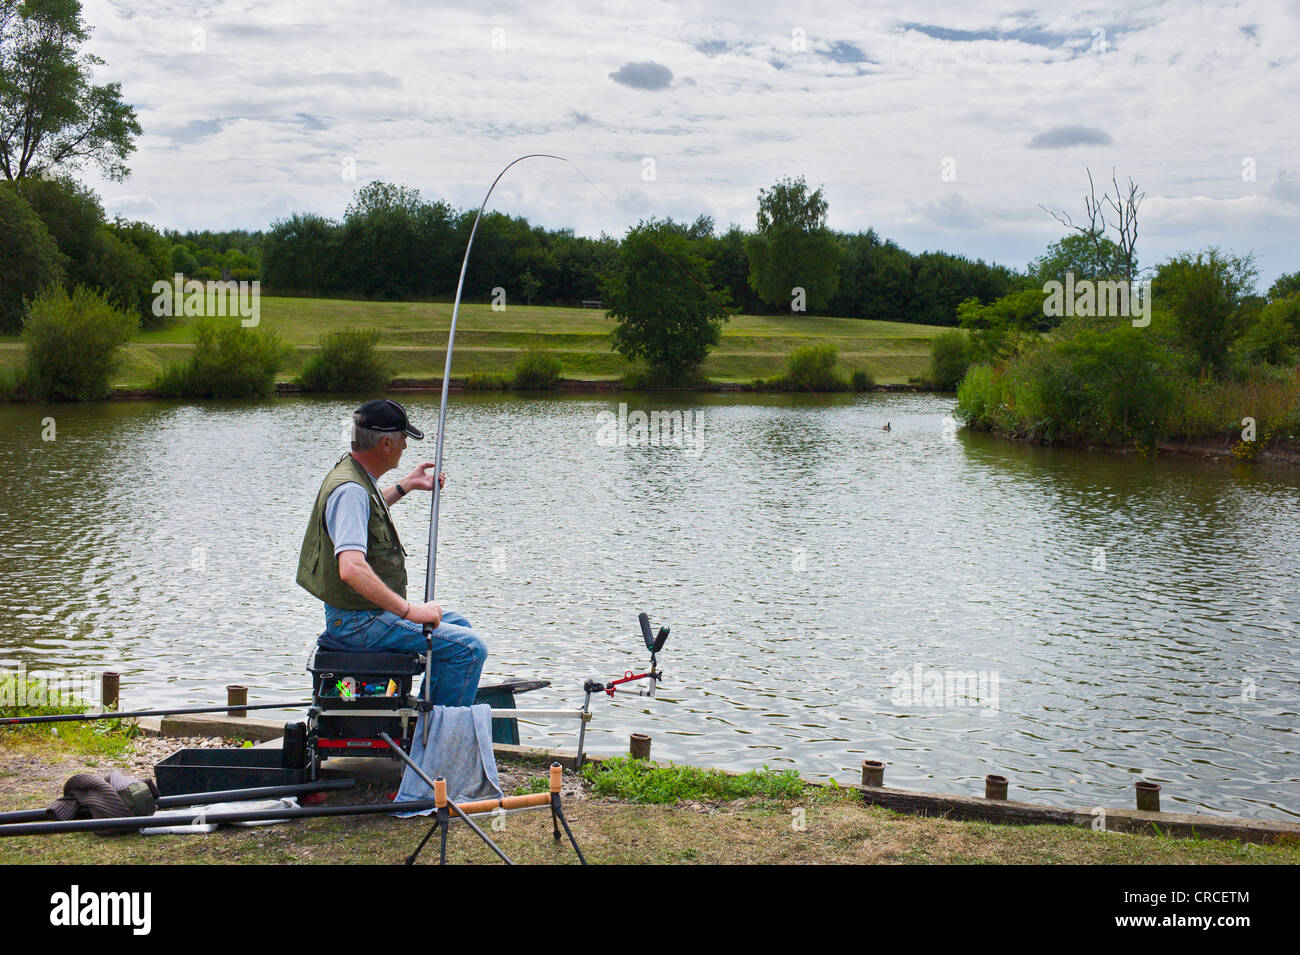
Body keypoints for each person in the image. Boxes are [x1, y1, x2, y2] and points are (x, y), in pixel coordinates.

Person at [296, 398, 487, 707]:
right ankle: (433, 741)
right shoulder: (351, 491)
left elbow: (365, 514)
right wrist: (410, 612)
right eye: (402, 440)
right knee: (470, 648)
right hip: (359, 624)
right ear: (386, 442)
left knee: (459, 626)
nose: (405, 448)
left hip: (361, 616)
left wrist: (406, 485)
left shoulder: (355, 476)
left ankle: (423, 717)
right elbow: (351, 568)